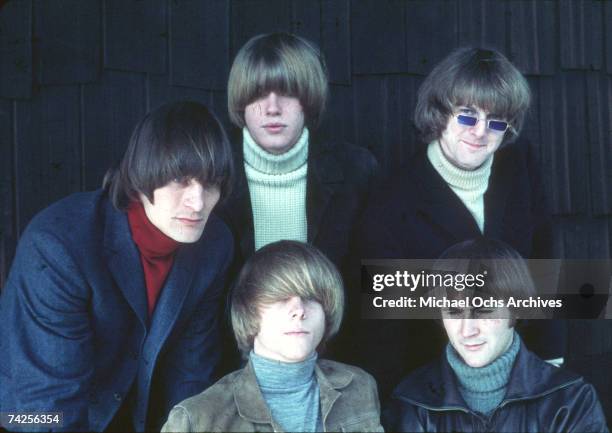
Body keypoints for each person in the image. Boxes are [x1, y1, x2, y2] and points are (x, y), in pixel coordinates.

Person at [0, 101, 234, 432]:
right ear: (140, 178)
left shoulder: (214, 245)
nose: (197, 203)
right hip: (29, 414)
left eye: (211, 183)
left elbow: (191, 376)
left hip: (135, 414)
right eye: (181, 179)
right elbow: (48, 405)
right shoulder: (58, 245)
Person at [353, 46, 564, 401]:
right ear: (439, 113)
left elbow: (545, 266)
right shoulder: (391, 205)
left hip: (522, 378)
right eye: (467, 116)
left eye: (496, 122)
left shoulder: (520, 165)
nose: (481, 132)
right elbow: (386, 336)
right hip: (437, 390)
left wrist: (551, 361)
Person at [383, 238, 608, 432]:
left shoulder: (570, 400)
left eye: (483, 310)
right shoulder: (411, 401)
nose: (467, 330)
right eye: (453, 312)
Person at [162, 240, 384, 432]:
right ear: (248, 311)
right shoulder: (195, 419)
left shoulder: (360, 386)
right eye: (279, 297)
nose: (299, 310)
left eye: (311, 297)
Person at [217, 32, 378, 270]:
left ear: (309, 99)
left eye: (288, 92)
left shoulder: (357, 171)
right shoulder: (211, 172)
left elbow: (370, 282)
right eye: (259, 93)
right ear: (241, 101)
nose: (273, 108)